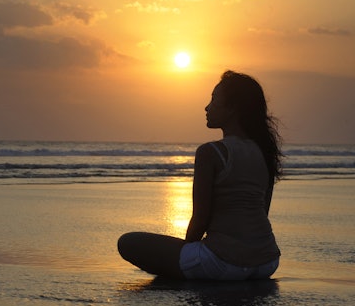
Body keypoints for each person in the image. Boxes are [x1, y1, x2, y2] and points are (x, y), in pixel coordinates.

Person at [118, 70, 283, 280]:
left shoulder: (210, 152)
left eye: (214, 100)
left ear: (232, 109)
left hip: (222, 264)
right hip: (266, 262)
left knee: (128, 242)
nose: (207, 107)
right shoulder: (264, 152)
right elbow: (262, 210)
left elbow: (200, 218)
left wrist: (186, 253)